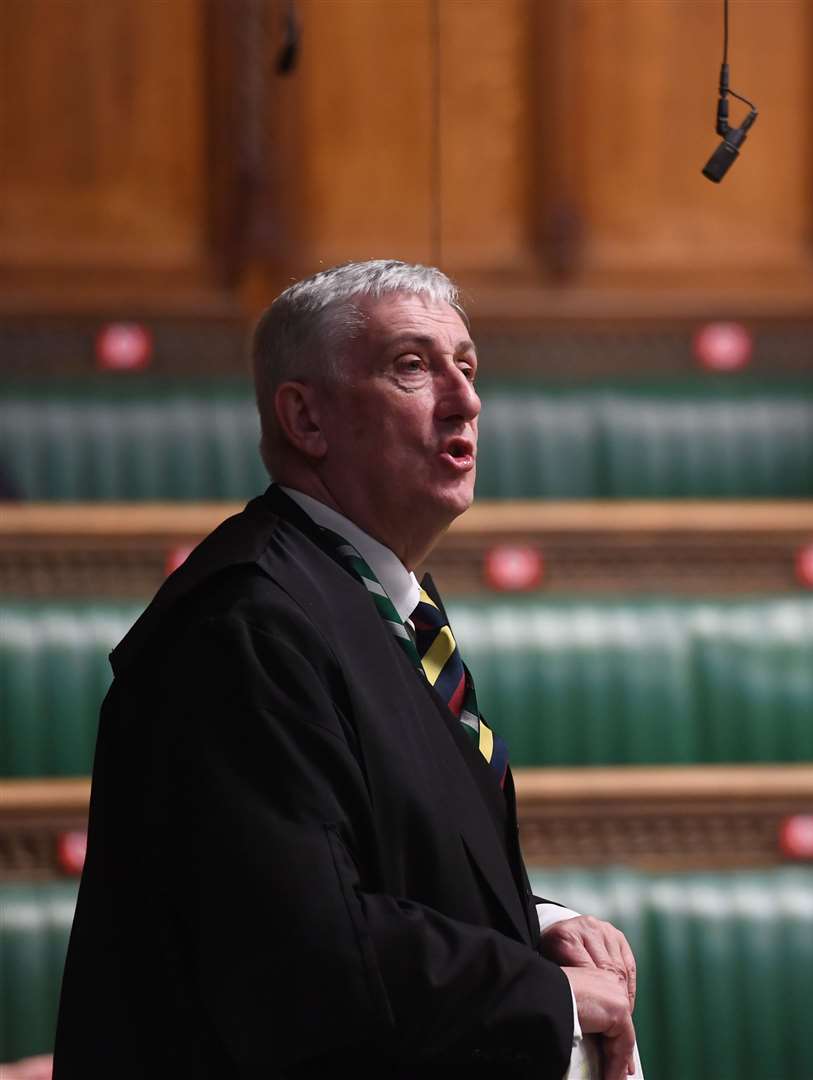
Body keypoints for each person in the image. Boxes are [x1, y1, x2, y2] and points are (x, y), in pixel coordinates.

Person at [54, 261, 640, 1079]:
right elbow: (298, 949)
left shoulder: (369, 593)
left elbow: (377, 857)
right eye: (412, 366)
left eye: (467, 367)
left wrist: (536, 924)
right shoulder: (246, 623)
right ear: (305, 417)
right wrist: (551, 996)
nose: (465, 399)